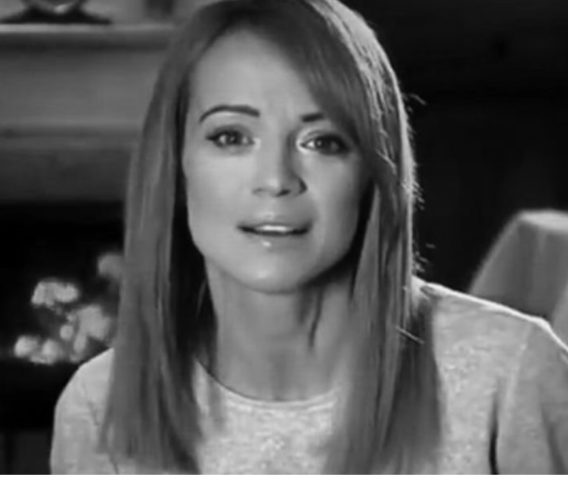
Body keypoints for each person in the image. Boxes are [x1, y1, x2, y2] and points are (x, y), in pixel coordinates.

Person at [50, 0, 568, 474]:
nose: (276, 179)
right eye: (231, 137)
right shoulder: (98, 407)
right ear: (177, 167)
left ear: (373, 175)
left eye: (322, 142)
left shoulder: (509, 375)